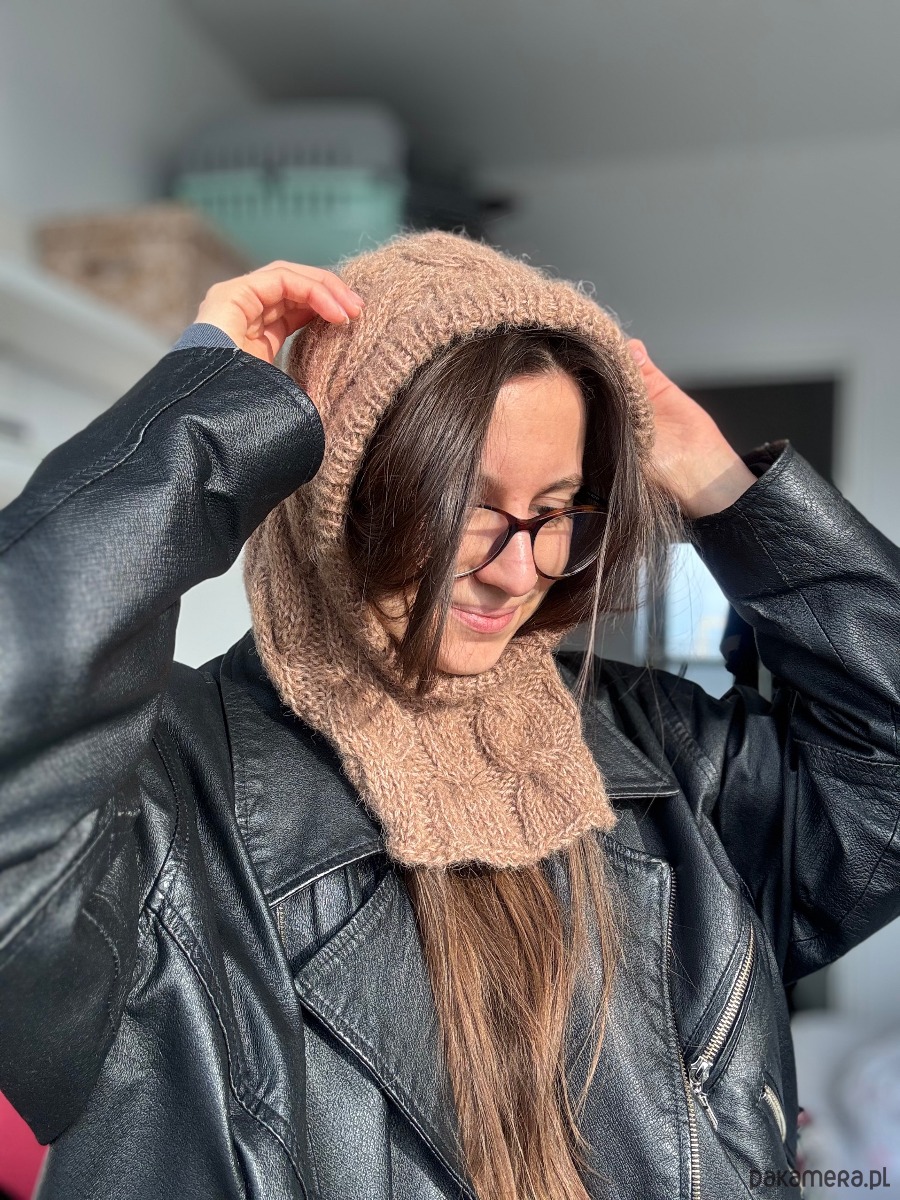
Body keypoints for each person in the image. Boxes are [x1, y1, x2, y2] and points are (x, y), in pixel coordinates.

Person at [0, 230, 897, 1200]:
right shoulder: (164, 803)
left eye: (558, 508)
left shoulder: (660, 757)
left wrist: (727, 489)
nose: (518, 570)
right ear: (337, 492)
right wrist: (201, 420)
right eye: (466, 507)